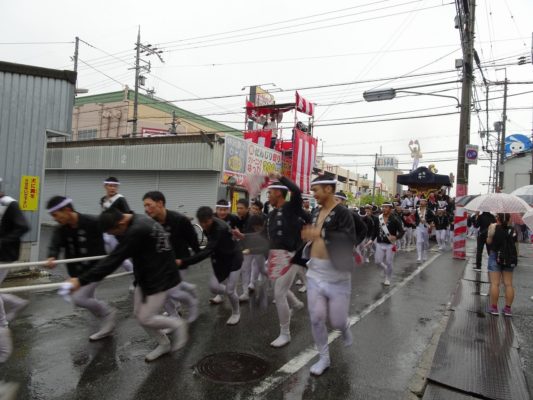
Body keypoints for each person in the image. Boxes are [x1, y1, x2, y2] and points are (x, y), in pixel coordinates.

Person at [66, 208, 188, 362]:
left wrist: (80, 280)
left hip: (160, 278)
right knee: (139, 315)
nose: (114, 236)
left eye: (113, 233)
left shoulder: (136, 230)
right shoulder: (139, 219)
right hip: (146, 276)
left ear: (121, 223)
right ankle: (164, 344)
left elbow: (114, 259)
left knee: (145, 317)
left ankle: (177, 324)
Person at [301, 176, 356, 376]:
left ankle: (344, 326)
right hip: (315, 273)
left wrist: (321, 235)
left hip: (337, 277)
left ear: (328, 189)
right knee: (316, 318)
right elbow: (313, 235)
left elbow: (349, 239)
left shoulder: (343, 213)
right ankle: (324, 357)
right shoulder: (315, 211)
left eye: (316, 190)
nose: (313, 194)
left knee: (338, 320)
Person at [46, 196, 117, 341]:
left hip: (94, 269)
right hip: (76, 272)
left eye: (55, 215)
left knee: (79, 298)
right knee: (87, 298)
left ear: (67, 210)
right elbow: (55, 244)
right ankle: (105, 320)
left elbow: (107, 243)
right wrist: (52, 256)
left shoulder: (92, 222)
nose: (55, 219)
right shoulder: (61, 229)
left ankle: (108, 314)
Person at [176, 207, 242, 326]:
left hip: (233, 258)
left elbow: (207, 250)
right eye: (201, 222)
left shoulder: (219, 228)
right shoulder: (208, 225)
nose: (204, 225)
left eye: (206, 222)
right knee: (213, 288)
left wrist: (184, 261)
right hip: (220, 259)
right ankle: (229, 294)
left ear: (212, 218)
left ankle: (236, 312)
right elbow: (207, 248)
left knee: (231, 290)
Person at [142, 191, 200, 323]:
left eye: (148, 205)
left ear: (160, 203)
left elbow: (195, 244)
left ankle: (191, 303)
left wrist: (188, 260)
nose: (146, 209)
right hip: (161, 264)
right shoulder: (150, 222)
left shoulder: (180, 220)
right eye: (144, 206)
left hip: (179, 263)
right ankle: (174, 316)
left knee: (171, 292)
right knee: (162, 292)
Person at [266, 172, 306, 348]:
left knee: (279, 293)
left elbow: (297, 191)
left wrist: (280, 177)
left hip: (291, 256)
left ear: (278, 193)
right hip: (276, 255)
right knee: (277, 288)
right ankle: (296, 303)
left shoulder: (291, 207)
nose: (268, 196)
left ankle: (285, 334)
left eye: (270, 192)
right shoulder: (273, 214)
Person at [0, 182, 30, 366]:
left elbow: (23, 226)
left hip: (4, 255)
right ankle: (17, 303)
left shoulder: (10, 203)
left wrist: (3, 241)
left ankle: (3, 325)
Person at [99, 176, 133, 276]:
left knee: (121, 258)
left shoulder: (120, 199)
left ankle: (135, 278)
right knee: (103, 254)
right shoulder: (103, 199)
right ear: (105, 186)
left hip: (116, 233)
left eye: (115, 186)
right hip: (106, 232)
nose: (113, 188)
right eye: (110, 186)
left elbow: (128, 214)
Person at [486, 213, 517, 316]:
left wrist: (490, 235)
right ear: (508, 219)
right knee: (508, 284)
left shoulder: (493, 227)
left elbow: (489, 242)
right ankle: (508, 309)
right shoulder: (513, 230)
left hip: (496, 255)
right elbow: (515, 245)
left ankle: (494, 308)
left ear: (498, 218)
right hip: (509, 257)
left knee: (495, 283)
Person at [375, 203, 403, 286]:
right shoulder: (378, 218)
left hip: (390, 244)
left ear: (390, 209)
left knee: (389, 262)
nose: (383, 208)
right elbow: (375, 230)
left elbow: (402, 231)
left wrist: (396, 237)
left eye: (386, 207)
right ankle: (385, 269)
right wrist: (371, 240)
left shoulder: (395, 219)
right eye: (383, 207)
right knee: (377, 261)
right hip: (380, 243)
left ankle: (387, 278)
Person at [415, 199, 434, 263]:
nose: (421, 202)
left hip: (426, 227)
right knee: (419, 241)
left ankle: (425, 255)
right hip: (419, 227)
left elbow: (433, 217)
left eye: (423, 201)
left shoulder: (429, 210)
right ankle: (419, 257)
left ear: (426, 202)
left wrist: (427, 221)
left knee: (425, 242)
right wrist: (418, 221)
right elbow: (415, 218)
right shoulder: (417, 210)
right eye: (420, 201)